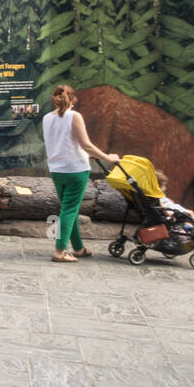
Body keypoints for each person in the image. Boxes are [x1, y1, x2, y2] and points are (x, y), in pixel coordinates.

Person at [42, 84, 119, 263]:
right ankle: (59, 251)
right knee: (69, 210)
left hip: (57, 169)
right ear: (73, 99)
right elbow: (86, 144)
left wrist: (87, 153)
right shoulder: (74, 116)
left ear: (54, 100)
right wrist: (108, 157)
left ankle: (78, 248)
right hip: (76, 170)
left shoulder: (46, 118)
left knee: (69, 209)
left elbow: (65, 142)